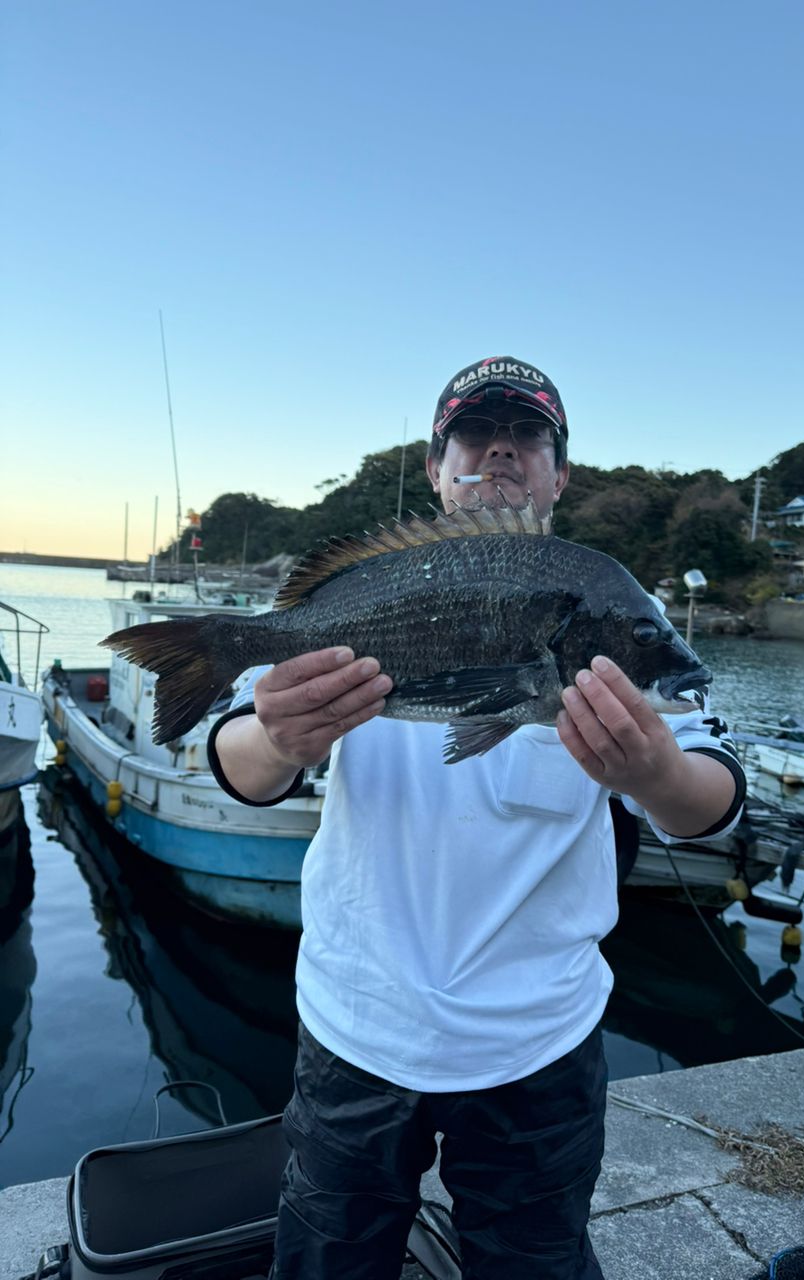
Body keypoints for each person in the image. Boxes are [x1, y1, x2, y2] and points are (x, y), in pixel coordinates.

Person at [208, 356, 746, 1280]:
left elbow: (716, 801)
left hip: (540, 1041)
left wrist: (655, 772)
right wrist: (283, 740)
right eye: (475, 432)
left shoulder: (611, 598)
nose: (500, 448)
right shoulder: (370, 591)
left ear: (559, 472)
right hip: (356, 1024)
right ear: (436, 465)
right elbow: (238, 768)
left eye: (527, 433)